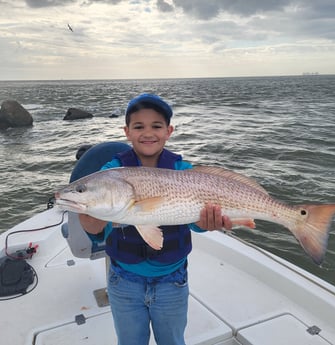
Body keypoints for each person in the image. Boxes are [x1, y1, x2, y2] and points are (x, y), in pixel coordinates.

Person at [79, 93, 232, 345]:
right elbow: (94, 229)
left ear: (169, 131)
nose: (147, 133)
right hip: (123, 280)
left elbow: (196, 223)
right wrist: (85, 206)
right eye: (139, 126)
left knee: (172, 341)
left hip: (172, 280)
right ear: (127, 131)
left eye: (156, 126)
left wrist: (209, 222)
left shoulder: (184, 171)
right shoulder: (110, 174)